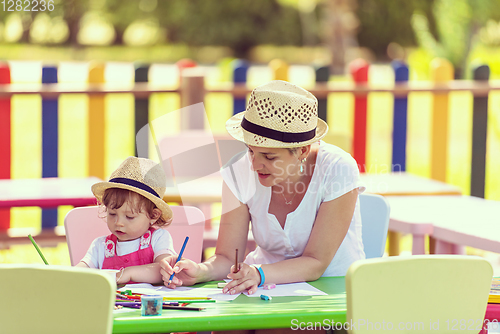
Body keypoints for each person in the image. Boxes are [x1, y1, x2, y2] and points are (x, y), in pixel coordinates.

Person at [161, 80, 365, 296]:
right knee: (231, 327)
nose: (255, 164)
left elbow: (316, 262)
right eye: (250, 151)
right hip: (262, 286)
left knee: (287, 330)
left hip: (334, 289)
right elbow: (228, 257)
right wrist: (201, 270)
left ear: (303, 150)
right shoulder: (237, 172)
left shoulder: (337, 169)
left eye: (269, 156)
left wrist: (259, 274)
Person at [76, 156, 178, 285]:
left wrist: (128, 273)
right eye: (112, 213)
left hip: (148, 304)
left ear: (153, 215)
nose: (118, 222)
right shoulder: (100, 246)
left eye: (130, 217)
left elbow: (163, 269)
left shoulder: (158, 238)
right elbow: (80, 271)